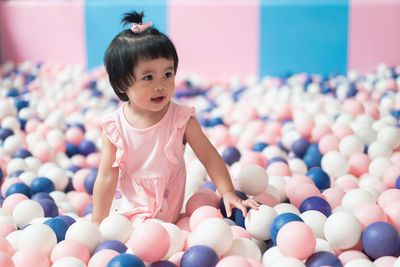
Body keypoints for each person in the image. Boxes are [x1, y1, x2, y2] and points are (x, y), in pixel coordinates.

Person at [92, 11, 259, 227]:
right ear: (123, 84)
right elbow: (106, 177)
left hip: (169, 215)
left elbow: (209, 157)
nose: (160, 85)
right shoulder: (115, 128)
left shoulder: (181, 119)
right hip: (127, 213)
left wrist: (228, 192)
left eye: (167, 74)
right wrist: (97, 223)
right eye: (148, 77)